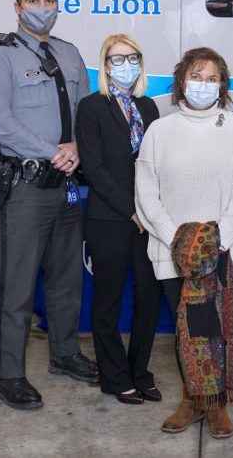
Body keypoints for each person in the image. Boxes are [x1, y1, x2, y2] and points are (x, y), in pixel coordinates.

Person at [0, 0, 97, 411]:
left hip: (66, 185)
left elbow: (87, 109)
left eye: (49, 0)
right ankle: (9, 374)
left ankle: (64, 354)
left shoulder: (69, 53)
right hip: (26, 187)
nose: (41, 7)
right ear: (16, 7)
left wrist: (79, 147)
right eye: (32, 0)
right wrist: (53, 152)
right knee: (17, 286)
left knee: (66, 280)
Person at [135, 47, 233, 439]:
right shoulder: (160, 131)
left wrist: (216, 236)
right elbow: (146, 190)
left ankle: (218, 404)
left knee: (217, 327)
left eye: (211, 78)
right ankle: (193, 398)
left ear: (223, 84)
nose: (202, 85)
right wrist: (179, 239)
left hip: (223, 250)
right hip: (175, 252)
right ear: (181, 81)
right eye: (196, 76)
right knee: (186, 328)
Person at [76, 34, 162, 405]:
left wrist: (150, 210)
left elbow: (158, 164)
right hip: (110, 217)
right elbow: (94, 168)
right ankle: (114, 377)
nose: (125, 64)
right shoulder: (92, 107)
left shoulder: (150, 107)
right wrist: (131, 209)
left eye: (132, 57)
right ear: (105, 65)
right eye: (117, 58)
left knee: (149, 296)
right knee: (108, 299)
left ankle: (139, 371)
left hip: (149, 220)